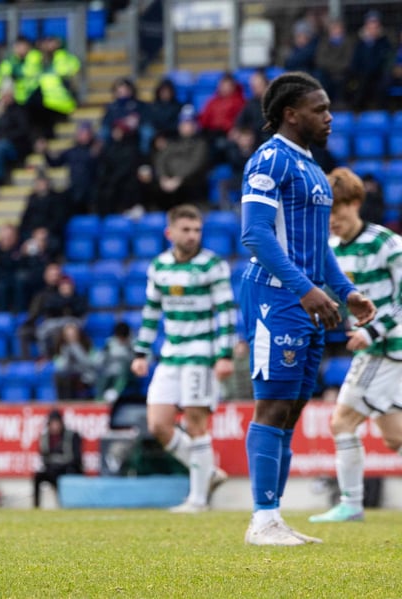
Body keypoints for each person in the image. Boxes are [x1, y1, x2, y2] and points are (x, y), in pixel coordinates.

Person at [239, 71, 375, 546]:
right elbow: (255, 235)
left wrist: (346, 291)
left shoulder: (314, 168)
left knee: (293, 407)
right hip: (276, 297)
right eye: (320, 109)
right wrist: (305, 290)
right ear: (291, 114)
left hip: (305, 298)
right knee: (272, 404)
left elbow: (318, 246)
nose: (330, 117)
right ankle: (261, 520)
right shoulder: (269, 160)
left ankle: (273, 518)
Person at [308, 168, 402, 523]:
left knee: (342, 421)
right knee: (395, 436)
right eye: (325, 213)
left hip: (387, 347)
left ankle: (351, 504)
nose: (331, 221)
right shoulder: (330, 250)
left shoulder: (387, 243)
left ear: (356, 203)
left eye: (337, 211)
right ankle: (351, 504)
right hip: (375, 348)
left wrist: (373, 331)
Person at [130, 203, 235, 514]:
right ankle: (209, 472)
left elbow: (226, 313)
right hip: (171, 355)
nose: (192, 236)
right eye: (186, 230)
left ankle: (198, 500)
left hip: (201, 355)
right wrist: (141, 352)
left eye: (197, 230)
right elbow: (151, 313)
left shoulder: (212, 265)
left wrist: (224, 355)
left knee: (195, 423)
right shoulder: (159, 266)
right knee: (158, 425)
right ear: (170, 232)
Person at [33, 409, 82, 508]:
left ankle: (63, 504)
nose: (55, 426)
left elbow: (75, 458)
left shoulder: (71, 436)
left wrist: (58, 463)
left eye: (57, 423)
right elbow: (44, 456)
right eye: (52, 423)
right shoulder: (45, 437)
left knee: (59, 474)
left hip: (68, 468)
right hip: (52, 469)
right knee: (39, 476)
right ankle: (36, 505)